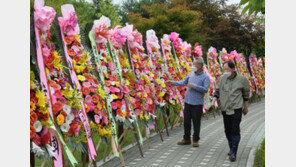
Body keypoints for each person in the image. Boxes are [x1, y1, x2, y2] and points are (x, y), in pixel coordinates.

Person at [209, 61, 250, 162]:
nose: (225, 72)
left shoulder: (242, 79)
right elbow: (217, 91)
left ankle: (234, 153)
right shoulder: (222, 79)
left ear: (233, 69)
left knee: (235, 130)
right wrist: (213, 101)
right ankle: (231, 147)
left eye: (227, 69)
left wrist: (245, 107)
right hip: (225, 108)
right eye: (224, 69)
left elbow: (246, 94)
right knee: (227, 130)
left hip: (236, 109)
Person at [166, 57, 210, 147]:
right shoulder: (191, 74)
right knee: (186, 121)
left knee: (196, 122)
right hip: (188, 102)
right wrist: (173, 83)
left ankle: (196, 139)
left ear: (200, 66)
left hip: (197, 103)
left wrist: (195, 86)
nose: (193, 66)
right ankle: (186, 138)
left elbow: (205, 89)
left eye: (195, 64)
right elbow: (183, 82)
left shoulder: (205, 77)